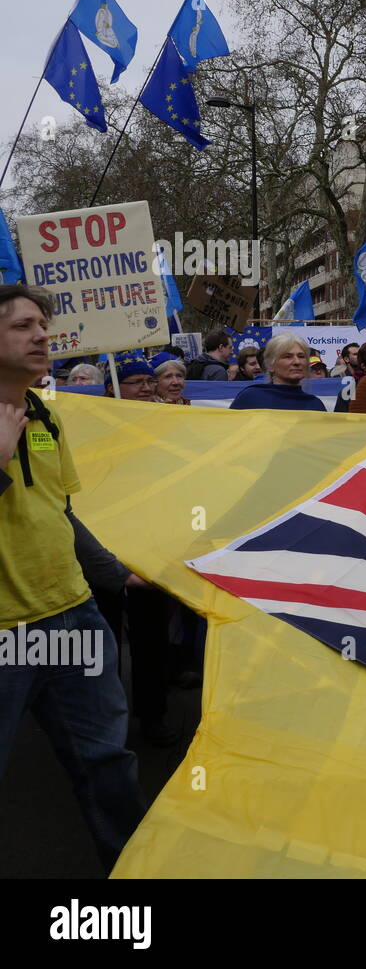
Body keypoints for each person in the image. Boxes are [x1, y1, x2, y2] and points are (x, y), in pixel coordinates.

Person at [0, 283, 146, 871]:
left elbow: (60, 511)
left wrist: (114, 575)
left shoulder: (45, 414)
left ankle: (135, 872)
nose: (41, 335)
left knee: (106, 760)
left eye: (43, 324)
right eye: (22, 326)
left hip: (71, 616)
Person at [229, 334, 326, 411]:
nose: (297, 362)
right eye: (288, 356)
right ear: (270, 365)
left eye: (301, 356)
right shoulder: (250, 398)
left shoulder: (316, 406)